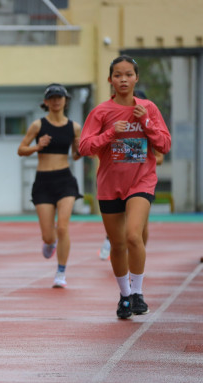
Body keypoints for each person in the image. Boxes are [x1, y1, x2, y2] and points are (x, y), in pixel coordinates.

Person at [79, 55, 171, 319]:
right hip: (110, 185)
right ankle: (125, 296)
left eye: (128, 74)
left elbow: (165, 145)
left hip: (141, 181)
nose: (123, 79)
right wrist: (110, 134)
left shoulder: (148, 108)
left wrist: (147, 123)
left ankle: (138, 293)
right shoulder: (101, 112)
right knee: (118, 245)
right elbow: (84, 147)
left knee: (133, 236)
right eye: (118, 75)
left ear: (136, 78)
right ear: (110, 79)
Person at [18, 83, 82, 288]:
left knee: (62, 227)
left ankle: (61, 272)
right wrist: (38, 146)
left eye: (59, 97)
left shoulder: (74, 127)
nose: (56, 101)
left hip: (65, 180)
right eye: (52, 98)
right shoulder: (38, 125)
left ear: (65, 101)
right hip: (43, 182)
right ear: (46, 102)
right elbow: (21, 149)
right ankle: (49, 242)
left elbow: (76, 155)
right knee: (48, 236)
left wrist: (80, 150)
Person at [98, 90, 164, 261]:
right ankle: (111, 241)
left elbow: (160, 157)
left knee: (138, 229)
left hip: (141, 181)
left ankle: (136, 257)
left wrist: (134, 152)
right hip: (116, 182)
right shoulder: (116, 122)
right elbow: (98, 148)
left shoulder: (149, 124)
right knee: (120, 225)